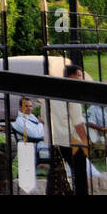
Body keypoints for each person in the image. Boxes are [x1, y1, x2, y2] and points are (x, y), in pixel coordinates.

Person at [45, 65, 90, 195]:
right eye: (79, 75)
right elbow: (78, 122)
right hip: (71, 139)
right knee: (80, 174)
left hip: (54, 139)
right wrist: (86, 142)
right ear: (71, 76)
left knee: (53, 173)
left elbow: (43, 117)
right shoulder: (72, 92)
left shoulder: (52, 92)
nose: (81, 79)